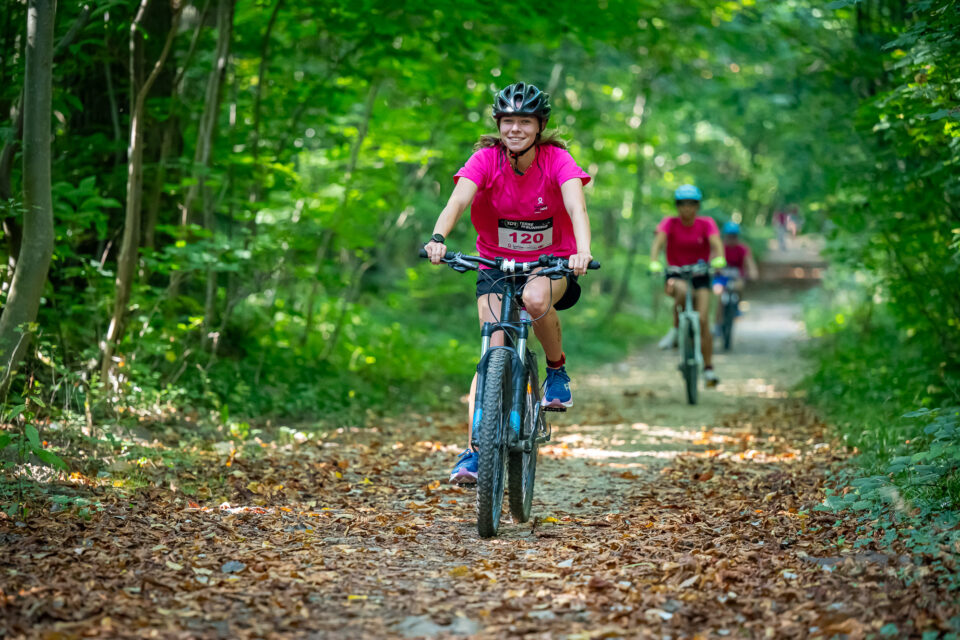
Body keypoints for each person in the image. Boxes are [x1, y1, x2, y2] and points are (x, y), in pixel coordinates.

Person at [423, 82, 594, 484]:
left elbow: (576, 207)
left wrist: (583, 251)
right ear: (498, 124)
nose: (515, 128)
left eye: (525, 121)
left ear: (540, 127)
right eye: (508, 121)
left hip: (551, 263)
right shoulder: (485, 159)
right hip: (495, 264)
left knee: (534, 299)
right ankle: (475, 450)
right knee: (491, 348)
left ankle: (556, 371)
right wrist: (438, 238)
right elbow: (458, 201)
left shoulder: (557, 160)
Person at [649, 184, 725, 386]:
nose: (687, 208)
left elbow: (716, 243)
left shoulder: (706, 223)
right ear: (677, 206)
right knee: (681, 290)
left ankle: (708, 369)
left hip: (701, 274)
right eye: (682, 204)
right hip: (676, 273)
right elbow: (658, 243)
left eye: (691, 204)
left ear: (697, 206)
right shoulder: (669, 223)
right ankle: (675, 330)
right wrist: (654, 261)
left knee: (703, 320)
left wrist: (719, 259)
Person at [712, 221, 759, 333]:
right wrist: (714, 269)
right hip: (721, 278)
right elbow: (712, 260)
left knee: (739, 286)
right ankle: (717, 323)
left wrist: (753, 273)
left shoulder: (742, 249)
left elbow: (749, 263)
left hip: (736, 278)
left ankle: (737, 307)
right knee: (718, 294)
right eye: (729, 236)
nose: (732, 239)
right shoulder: (720, 248)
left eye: (734, 236)